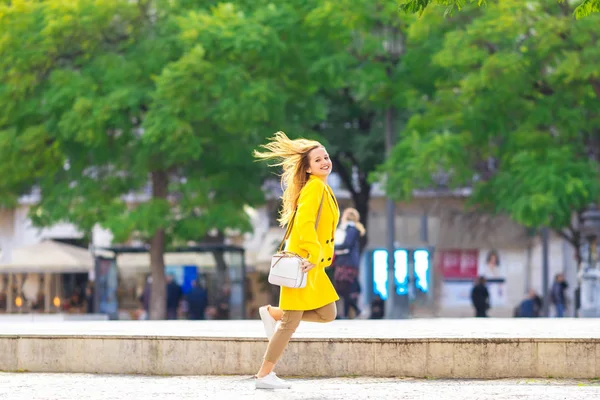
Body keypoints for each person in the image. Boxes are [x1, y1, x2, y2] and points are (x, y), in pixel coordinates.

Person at [252, 131, 340, 389]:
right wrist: (313, 253)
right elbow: (304, 224)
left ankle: (272, 313)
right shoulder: (314, 188)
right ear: (309, 169)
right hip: (304, 262)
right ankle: (264, 376)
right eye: (317, 160)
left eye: (326, 157)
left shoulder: (321, 186)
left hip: (312, 264)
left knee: (327, 313)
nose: (325, 161)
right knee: (290, 323)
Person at [333, 208, 366, 319]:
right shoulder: (347, 229)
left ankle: (354, 310)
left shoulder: (351, 229)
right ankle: (349, 312)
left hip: (347, 263)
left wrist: (333, 247)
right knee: (343, 288)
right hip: (343, 262)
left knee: (342, 288)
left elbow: (347, 244)